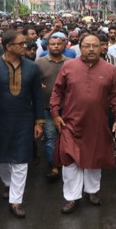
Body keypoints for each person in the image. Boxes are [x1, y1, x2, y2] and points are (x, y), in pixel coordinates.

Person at [50, 35, 116, 214]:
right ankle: (71, 198)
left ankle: (92, 192)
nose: (91, 49)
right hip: (70, 123)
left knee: (94, 159)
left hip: (97, 124)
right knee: (70, 161)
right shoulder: (68, 66)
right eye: (86, 46)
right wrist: (54, 113)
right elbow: (57, 91)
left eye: (95, 46)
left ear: (102, 48)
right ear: (80, 48)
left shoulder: (110, 70)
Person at [0, 30, 44, 218]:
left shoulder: (32, 68)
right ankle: (9, 183)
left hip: (24, 120)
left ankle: (16, 201)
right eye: (21, 44)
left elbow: (37, 96)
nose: (25, 47)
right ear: (8, 46)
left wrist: (39, 122)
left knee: (21, 161)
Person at [35, 33, 71, 182]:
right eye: (52, 44)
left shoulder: (71, 62)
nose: (56, 46)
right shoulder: (39, 62)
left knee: (67, 138)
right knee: (51, 137)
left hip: (68, 108)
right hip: (47, 107)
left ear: (64, 46)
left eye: (59, 44)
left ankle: (69, 165)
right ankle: (54, 166)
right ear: (47, 46)